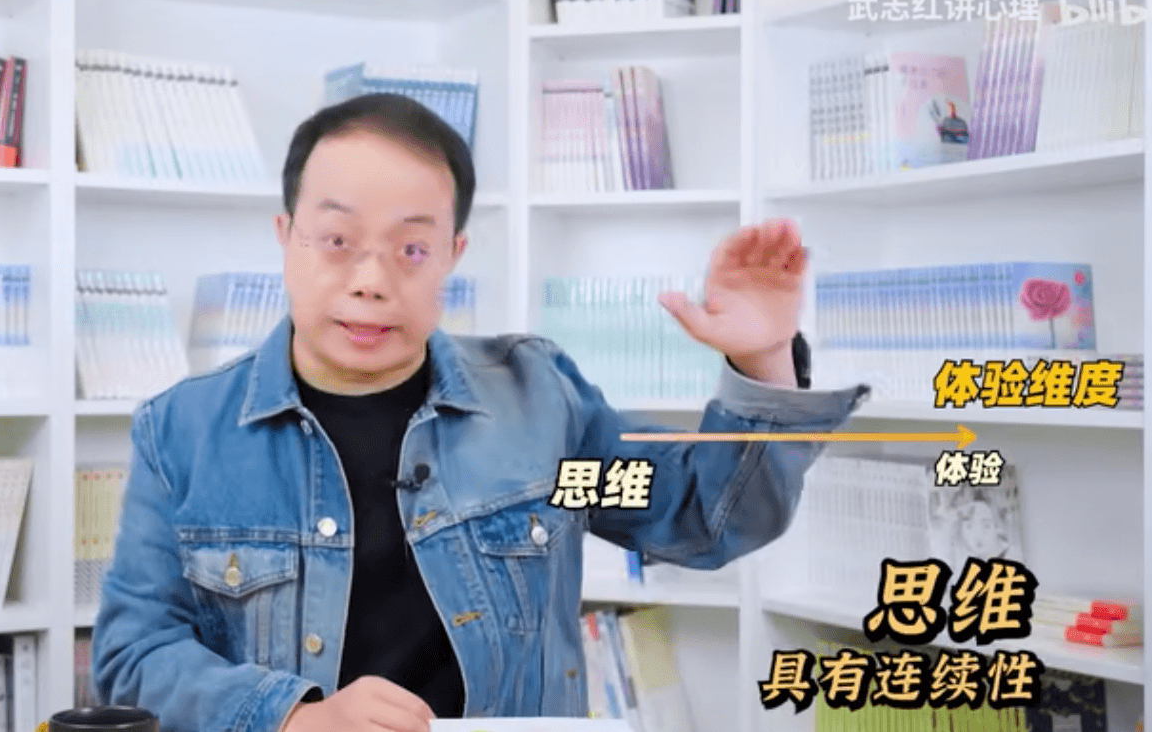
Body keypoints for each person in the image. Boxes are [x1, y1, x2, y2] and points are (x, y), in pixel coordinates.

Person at [92, 93, 870, 732]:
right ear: (286, 238)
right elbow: (133, 655)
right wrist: (292, 716)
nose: (371, 280)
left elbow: (704, 518)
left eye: (411, 250)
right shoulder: (183, 432)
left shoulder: (539, 404)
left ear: (453, 256)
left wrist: (763, 360)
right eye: (336, 240)